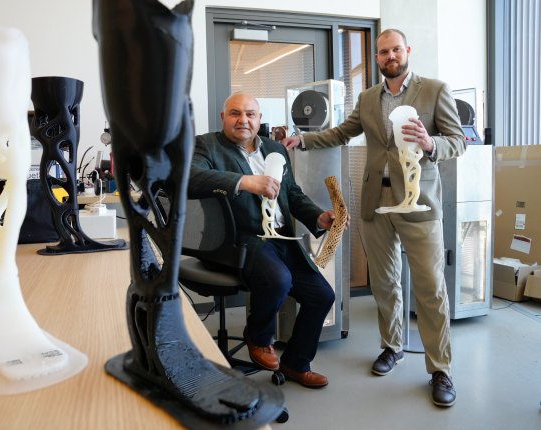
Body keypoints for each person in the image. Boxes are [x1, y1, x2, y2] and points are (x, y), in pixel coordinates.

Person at [282, 28, 465, 407]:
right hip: (375, 203)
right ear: (378, 58)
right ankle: (391, 347)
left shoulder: (434, 90)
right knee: (384, 283)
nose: (389, 56)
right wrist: (302, 140)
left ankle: (440, 369)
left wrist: (431, 144)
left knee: (431, 289)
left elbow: (458, 140)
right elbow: (343, 132)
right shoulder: (367, 98)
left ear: (407, 51)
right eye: (383, 52)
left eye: (395, 49)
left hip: (419, 203)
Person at [189, 92, 340, 388]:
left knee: (322, 295)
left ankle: (296, 364)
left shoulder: (275, 149)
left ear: (259, 119)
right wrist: (244, 182)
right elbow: (190, 179)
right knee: (278, 280)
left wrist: (317, 217)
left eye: (250, 114)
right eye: (235, 113)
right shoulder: (206, 145)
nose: (243, 120)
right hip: (238, 239)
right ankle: (258, 337)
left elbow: (292, 194)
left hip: (281, 238)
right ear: (223, 118)